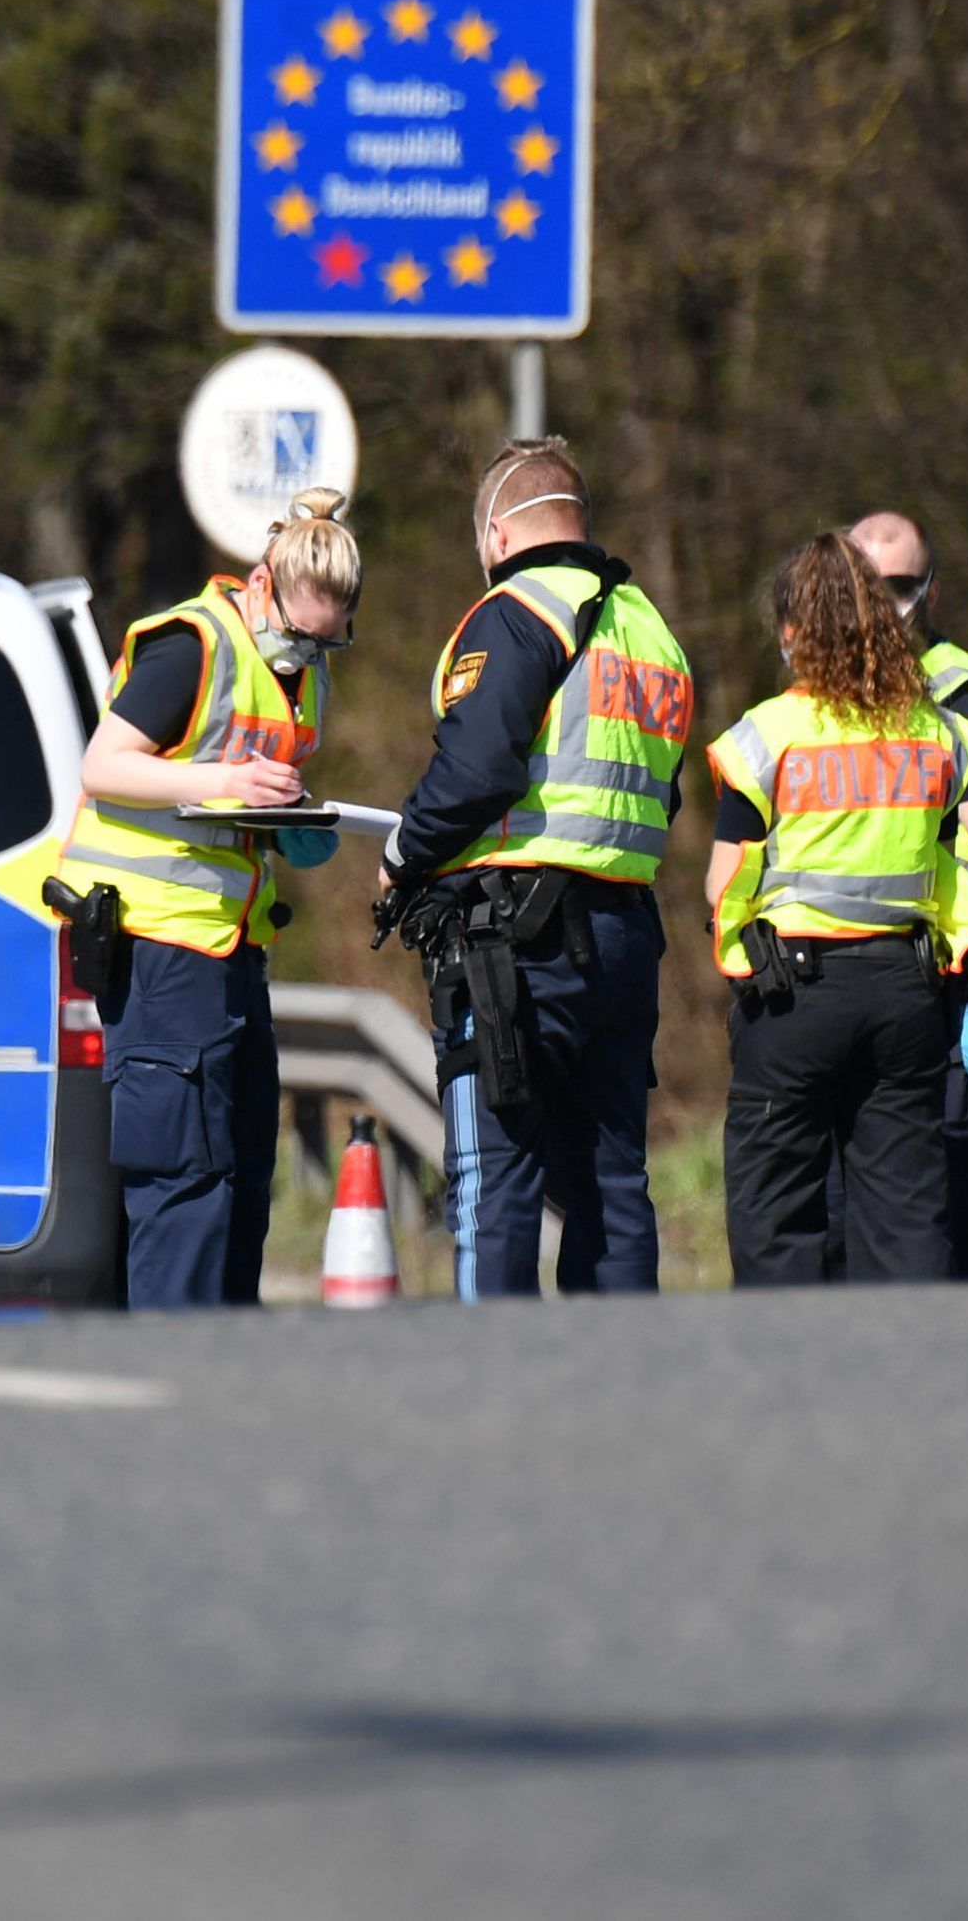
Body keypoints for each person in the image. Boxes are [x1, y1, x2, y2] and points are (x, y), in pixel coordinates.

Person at [376, 440, 692, 1300]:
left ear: (497, 532)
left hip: (517, 943)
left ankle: (495, 1390)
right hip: (624, 932)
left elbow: (477, 771)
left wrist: (401, 856)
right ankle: (615, 1384)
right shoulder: (652, 629)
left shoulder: (519, 610)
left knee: (496, 1178)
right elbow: (662, 795)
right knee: (610, 1180)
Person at [57, 490, 361, 1308]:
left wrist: (294, 821)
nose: (308, 651)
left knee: (237, 1185)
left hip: (230, 954)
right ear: (263, 585)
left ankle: (224, 1374)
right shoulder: (193, 646)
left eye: (328, 640)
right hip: (160, 954)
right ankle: (175, 1381)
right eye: (300, 633)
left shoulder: (301, 677)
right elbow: (104, 765)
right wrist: (221, 782)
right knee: (184, 1192)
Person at [703, 532, 968, 1283]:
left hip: (791, 996)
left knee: (776, 1213)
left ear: (792, 631)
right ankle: (908, 1375)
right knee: (904, 1210)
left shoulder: (765, 736)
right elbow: (962, 853)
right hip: (906, 992)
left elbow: (720, 878)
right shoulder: (938, 732)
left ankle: (793, 1382)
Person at [847, 510, 968, 1280]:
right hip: (860, 985)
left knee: (958, 1215)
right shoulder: (829, 705)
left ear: (931, 591)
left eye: (899, 587)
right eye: (867, 586)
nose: (884, 605)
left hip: (957, 988)